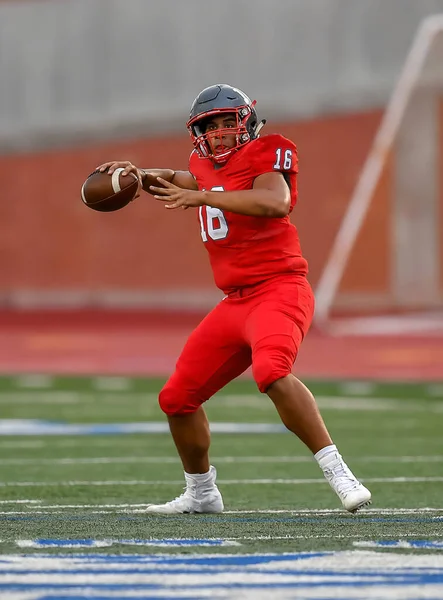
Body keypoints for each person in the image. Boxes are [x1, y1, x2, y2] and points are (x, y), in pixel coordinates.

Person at [97, 84, 371, 515]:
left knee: (272, 371)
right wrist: (139, 174)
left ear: (247, 123)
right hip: (235, 302)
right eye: (211, 126)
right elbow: (179, 181)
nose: (221, 133)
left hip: (280, 289)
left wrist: (202, 196)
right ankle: (202, 493)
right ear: (198, 133)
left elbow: (275, 201)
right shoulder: (201, 166)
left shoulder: (269, 152)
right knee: (176, 398)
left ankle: (339, 471)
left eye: (228, 122)